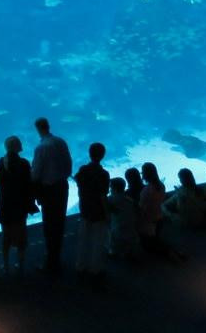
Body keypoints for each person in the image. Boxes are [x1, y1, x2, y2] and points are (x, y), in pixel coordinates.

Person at [31, 117, 73, 275]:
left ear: (38, 129)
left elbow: (36, 174)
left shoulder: (41, 147)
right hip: (62, 185)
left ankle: (51, 261)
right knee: (60, 221)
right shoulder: (61, 141)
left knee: (49, 224)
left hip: (49, 189)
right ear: (48, 126)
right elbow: (69, 163)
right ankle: (57, 255)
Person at [0, 135, 36, 275]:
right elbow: (29, 185)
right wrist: (31, 203)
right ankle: (21, 265)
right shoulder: (24, 163)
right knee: (21, 235)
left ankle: (6, 265)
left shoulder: (1, 162)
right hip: (19, 205)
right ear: (18, 147)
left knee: (6, 236)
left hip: (5, 205)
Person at [74, 142, 110, 285]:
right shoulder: (104, 174)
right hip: (98, 211)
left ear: (89, 154)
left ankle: (80, 266)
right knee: (98, 241)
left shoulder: (83, 169)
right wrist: (107, 213)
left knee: (83, 239)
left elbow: (77, 180)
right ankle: (95, 269)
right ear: (103, 155)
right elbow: (103, 196)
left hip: (85, 209)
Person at [107, 177, 140, 259]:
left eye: (110, 187)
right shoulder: (129, 200)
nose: (110, 189)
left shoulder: (110, 199)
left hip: (117, 232)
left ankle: (113, 252)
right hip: (131, 231)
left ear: (114, 189)